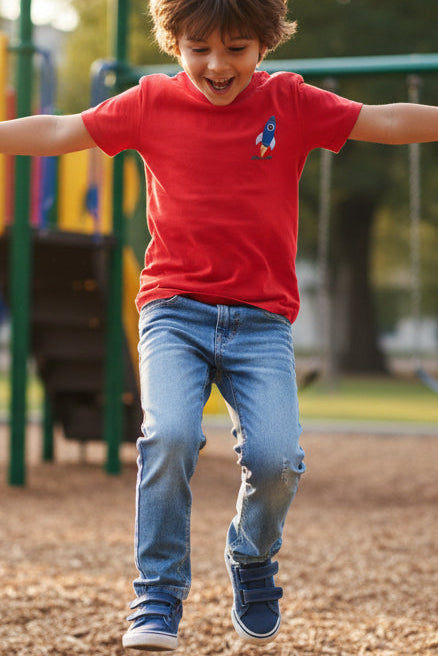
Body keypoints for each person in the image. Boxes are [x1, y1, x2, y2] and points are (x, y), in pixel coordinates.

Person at [2, 0, 438, 651]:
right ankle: (156, 595)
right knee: (170, 436)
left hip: (262, 321)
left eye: (236, 47)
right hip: (173, 311)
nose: (216, 64)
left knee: (277, 460)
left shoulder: (289, 103)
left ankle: (251, 556)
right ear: (173, 42)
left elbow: (385, 119)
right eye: (199, 47)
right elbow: (64, 131)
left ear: (265, 44)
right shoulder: (149, 102)